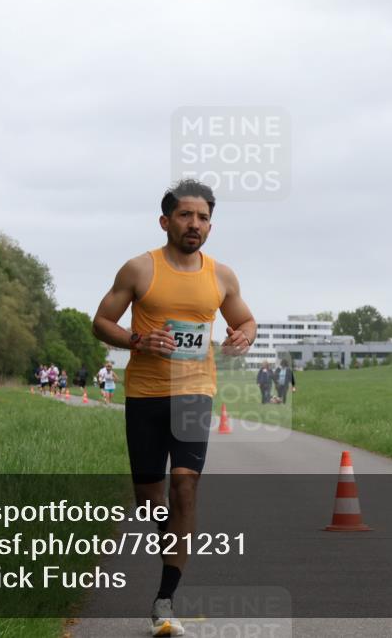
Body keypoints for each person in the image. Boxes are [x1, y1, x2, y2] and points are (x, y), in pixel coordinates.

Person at [92, 179, 255, 636]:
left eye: (203, 217)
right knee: (151, 503)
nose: (194, 224)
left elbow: (244, 318)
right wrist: (138, 340)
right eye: (185, 215)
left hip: (194, 392)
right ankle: (169, 546)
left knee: (185, 489)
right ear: (166, 221)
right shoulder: (139, 270)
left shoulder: (221, 276)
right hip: (145, 395)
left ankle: (165, 599)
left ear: (210, 225)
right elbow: (101, 322)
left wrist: (244, 335)